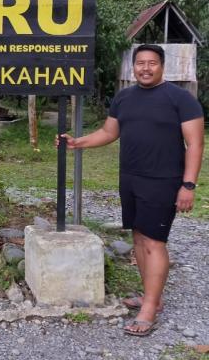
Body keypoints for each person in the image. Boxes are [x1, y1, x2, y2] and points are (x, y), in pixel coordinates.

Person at [60, 44, 204, 336]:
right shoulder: (124, 98)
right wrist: (78, 143)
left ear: (162, 66)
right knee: (139, 238)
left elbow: (195, 144)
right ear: (133, 67)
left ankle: (149, 309)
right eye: (140, 63)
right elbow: (109, 133)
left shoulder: (181, 99)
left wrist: (188, 185)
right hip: (130, 178)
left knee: (154, 242)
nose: (145, 68)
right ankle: (152, 296)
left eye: (152, 63)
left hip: (163, 180)